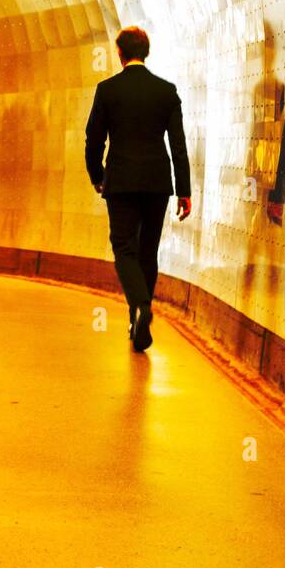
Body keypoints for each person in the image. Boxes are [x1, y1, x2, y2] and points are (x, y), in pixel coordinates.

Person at [84, 27, 191, 352]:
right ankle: (137, 322)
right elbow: (178, 145)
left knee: (124, 248)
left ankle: (141, 306)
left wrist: (97, 175)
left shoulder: (108, 90)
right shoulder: (166, 91)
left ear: (119, 52)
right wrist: (184, 190)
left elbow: (94, 139)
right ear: (146, 51)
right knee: (147, 250)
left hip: (121, 181)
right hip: (157, 181)